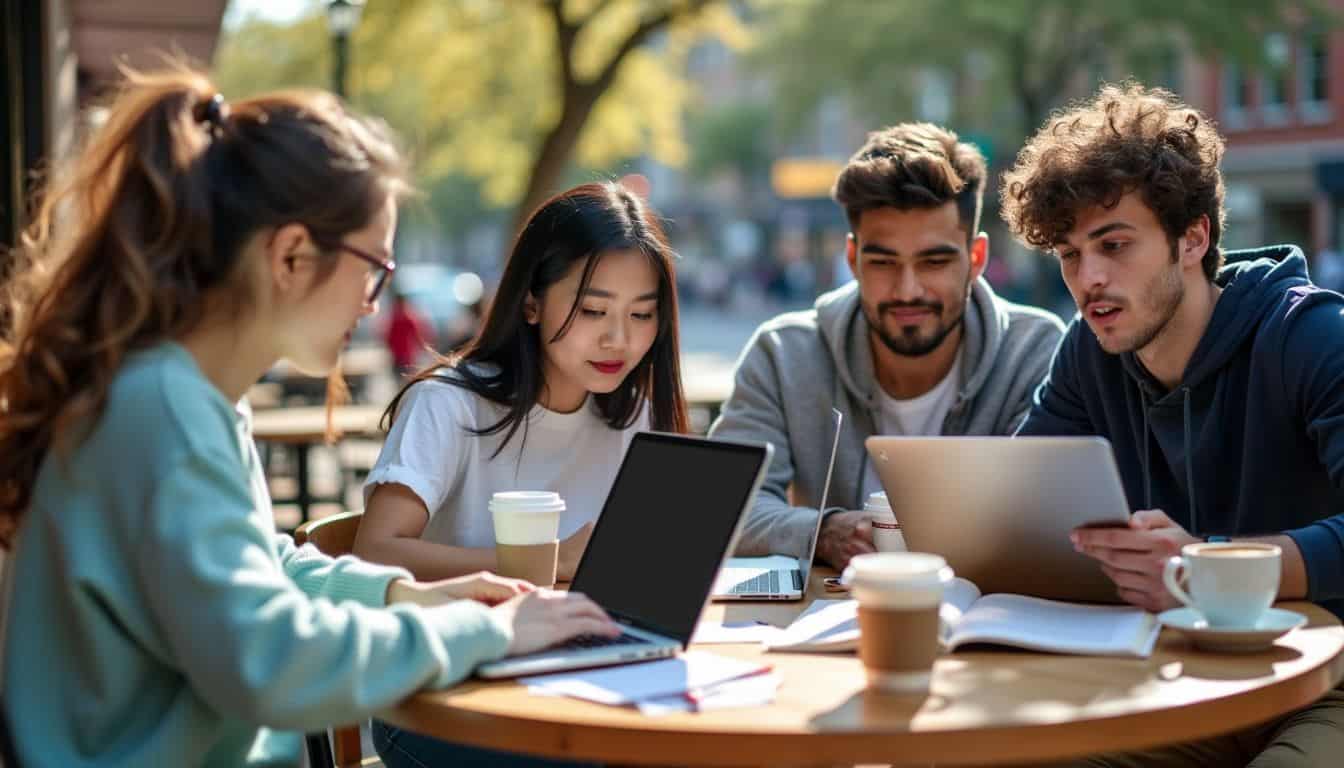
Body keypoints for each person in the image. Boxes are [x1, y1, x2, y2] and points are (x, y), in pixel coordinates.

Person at [0, 67, 620, 768]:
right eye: (374, 270)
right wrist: (491, 635)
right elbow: (267, 657)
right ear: (291, 255)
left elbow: (261, 568)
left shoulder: (185, 395)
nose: (373, 303)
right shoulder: (161, 411)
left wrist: (412, 596)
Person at [1003, 81, 1344, 766]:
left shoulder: (1312, 338)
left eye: (1114, 244)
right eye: (1070, 255)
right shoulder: (1090, 351)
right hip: (1176, 672)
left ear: (1193, 239)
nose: (1088, 279)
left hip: (1327, 674)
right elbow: (1017, 507)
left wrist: (1204, 568)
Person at [709, 123, 1065, 570]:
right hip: (830, 624)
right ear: (853, 259)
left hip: (988, 621)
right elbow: (724, 510)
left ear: (975, 258)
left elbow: (1044, 519)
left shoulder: (1035, 351)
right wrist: (824, 532)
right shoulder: (782, 353)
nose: (908, 290)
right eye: (883, 262)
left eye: (934, 261)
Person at [383, 289, 435, 373]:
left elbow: (387, 337)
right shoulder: (407, 317)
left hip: (398, 355)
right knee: (406, 377)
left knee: (399, 378)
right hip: (406, 355)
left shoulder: (394, 318)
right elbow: (418, 335)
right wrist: (425, 348)